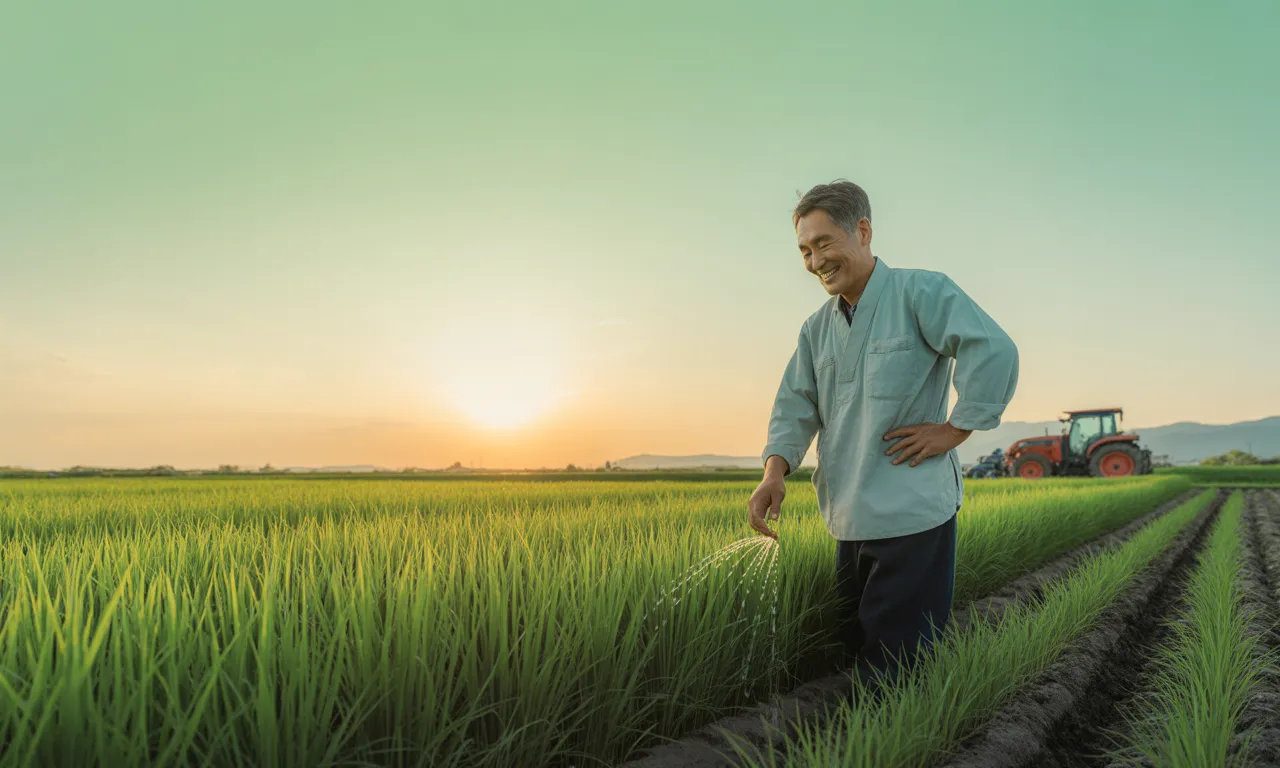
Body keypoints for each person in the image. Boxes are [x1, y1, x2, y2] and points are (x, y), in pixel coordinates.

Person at [748, 180, 1019, 683]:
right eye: (805, 250)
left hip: (911, 511)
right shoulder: (815, 328)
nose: (814, 261)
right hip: (849, 515)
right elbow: (795, 403)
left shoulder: (921, 291)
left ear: (864, 230)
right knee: (856, 645)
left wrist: (956, 429)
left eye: (824, 243)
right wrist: (774, 471)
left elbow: (993, 349)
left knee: (895, 668)